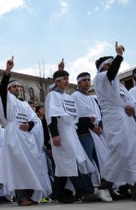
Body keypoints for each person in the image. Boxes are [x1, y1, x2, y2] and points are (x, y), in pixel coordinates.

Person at [0, 57, 51, 206]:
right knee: (19, 166)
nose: (18, 89)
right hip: (14, 136)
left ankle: (31, 195)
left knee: (31, 166)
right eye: (15, 87)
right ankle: (21, 198)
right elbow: (2, 88)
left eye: (19, 87)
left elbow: (35, 119)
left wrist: (30, 126)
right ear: (9, 89)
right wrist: (8, 71)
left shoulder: (25, 104)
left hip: (27, 138)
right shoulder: (6, 98)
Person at [93, 41, 136, 201]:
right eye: (110, 64)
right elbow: (111, 73)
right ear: (105, 66)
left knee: (132, 152)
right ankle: (104, 186)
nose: (113, 67)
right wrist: (119, 55)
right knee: (118, 150)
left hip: (127, 119)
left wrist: (131, 108)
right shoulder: (101, 78)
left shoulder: (120, 85)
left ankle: (133, 187)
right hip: (114, 120)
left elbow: (130, 101)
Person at [45, 68, 94, 204]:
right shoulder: (52, 96)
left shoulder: (67, 97)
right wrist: (55, 134)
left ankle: (60, 192)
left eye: (67, 78)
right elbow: (51, 116)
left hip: (71, 132)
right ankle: (82, 191)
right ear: (57, 81)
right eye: (64, 78)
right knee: (67, 162)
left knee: (71, 162)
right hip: (61, 133)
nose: (67, 81)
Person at [71, 72, 109, 202]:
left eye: (88, 79)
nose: (87, 82)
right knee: (86, 163)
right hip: (84, 134)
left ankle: (106, 188)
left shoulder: (92, 98)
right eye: (84, 80)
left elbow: (99, 115)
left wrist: (99, 127)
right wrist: (92, 127)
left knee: (102, 161)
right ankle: (87, 191)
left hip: (96, 133)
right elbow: (79, 117)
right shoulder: (75, 96)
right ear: (79, 83)